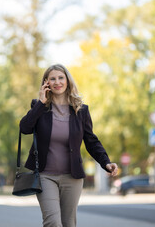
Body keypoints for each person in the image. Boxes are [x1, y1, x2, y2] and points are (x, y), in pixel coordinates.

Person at [20, 64, 118, 227]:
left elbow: (91, 141)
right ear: (46, 83)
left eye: (61, 78)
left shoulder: (81, 110)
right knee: (53, 222)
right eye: (52, 78)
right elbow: (25, 128)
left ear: (67, 81)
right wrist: (40, 103)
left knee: (68, 223)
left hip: (72, 177)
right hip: (45, 176)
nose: (57, 82)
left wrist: (105, 162)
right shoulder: (39, 107)